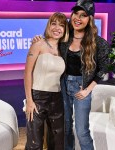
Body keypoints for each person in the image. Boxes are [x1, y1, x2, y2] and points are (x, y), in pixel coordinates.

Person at [32, 0, 110, 149]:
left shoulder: (98, 43)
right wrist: (38, 40)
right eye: (75, 13)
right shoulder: (65, 36)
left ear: (90, 19)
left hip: (82, 88)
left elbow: (104, 67)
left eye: (83, 15)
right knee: (66, 128)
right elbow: (49, 40)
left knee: (82, 132)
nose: (78, 18)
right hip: (62, 85)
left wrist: (88, 89)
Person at [24, 12, 69, 150]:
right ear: (49, 26)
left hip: (57, 98)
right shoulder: (38, 44)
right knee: (35, 142)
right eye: (54, 23)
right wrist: (30, 101)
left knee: (57, 142)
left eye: (61, 25)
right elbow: (27, 73)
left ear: (65, 30)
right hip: (37, 97)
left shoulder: (64, 49)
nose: (57, 28)